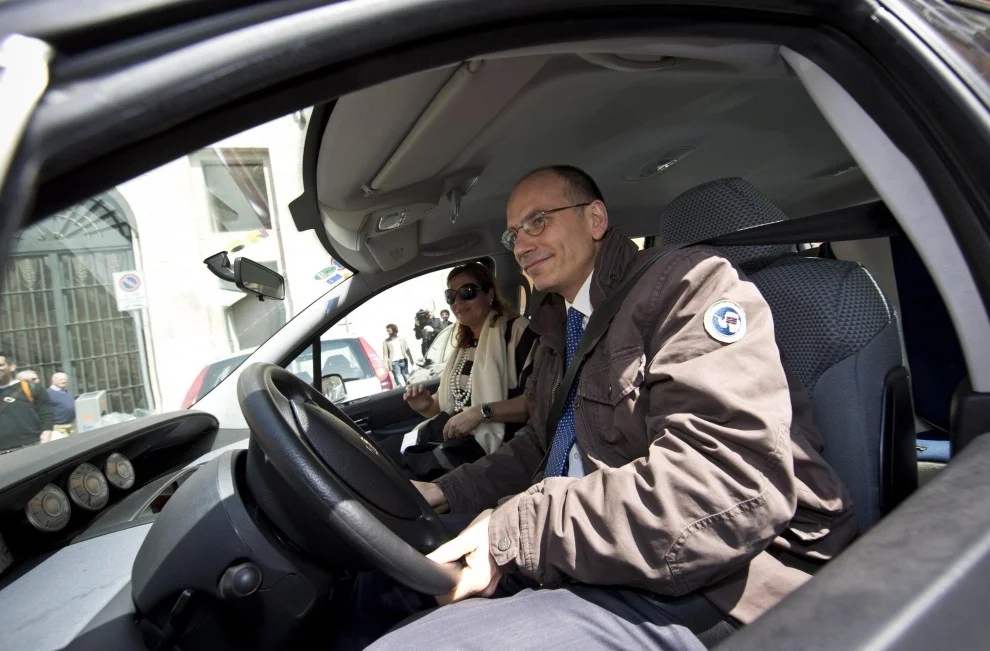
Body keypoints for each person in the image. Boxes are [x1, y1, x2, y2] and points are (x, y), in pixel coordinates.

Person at [356, 166, 857, 649]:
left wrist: (519, 528)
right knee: (382, 580)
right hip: (592, 545)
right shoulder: (557, 326)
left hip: (719, 579)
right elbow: (539, 444)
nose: (522, 244)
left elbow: (724, 488)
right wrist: (443, 493)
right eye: (513, 235)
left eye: (538, 220)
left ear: (595, 220)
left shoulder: (688, 287)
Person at [402, 263, 537, 455]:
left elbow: (536, 402)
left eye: (467, 292)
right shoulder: (462, 345)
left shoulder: (516, 331)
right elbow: (451, 409)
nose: (457, 301)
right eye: (451, 296)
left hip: (498, 449)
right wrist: (426, 407)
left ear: (489, 294)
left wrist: (482, 413)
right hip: (453, 440)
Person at [0, 353, 54, 452]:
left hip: (30, 447)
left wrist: (45, 443)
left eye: (1, 365)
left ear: (11, 366)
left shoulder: (31, 388)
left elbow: (46, 416)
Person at [47, 371, 76, 436]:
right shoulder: (48, 393)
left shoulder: (67, 391)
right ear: (53, 381)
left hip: (71, 425)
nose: (63, 381)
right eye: (61, 380)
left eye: (65, 380)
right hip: (58, 427)